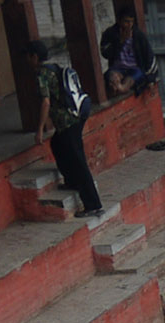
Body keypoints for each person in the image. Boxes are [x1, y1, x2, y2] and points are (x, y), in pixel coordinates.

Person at [28, 40, 102, 217]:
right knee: (57, 144)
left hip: (68, 121)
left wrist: (40, 129)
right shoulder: (54, 67)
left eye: (29, 57)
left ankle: (92, 204)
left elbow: (46, 102)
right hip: (76, 116)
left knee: (78, 161)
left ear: (35, 57)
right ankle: (71, 180)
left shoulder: (42, 75)